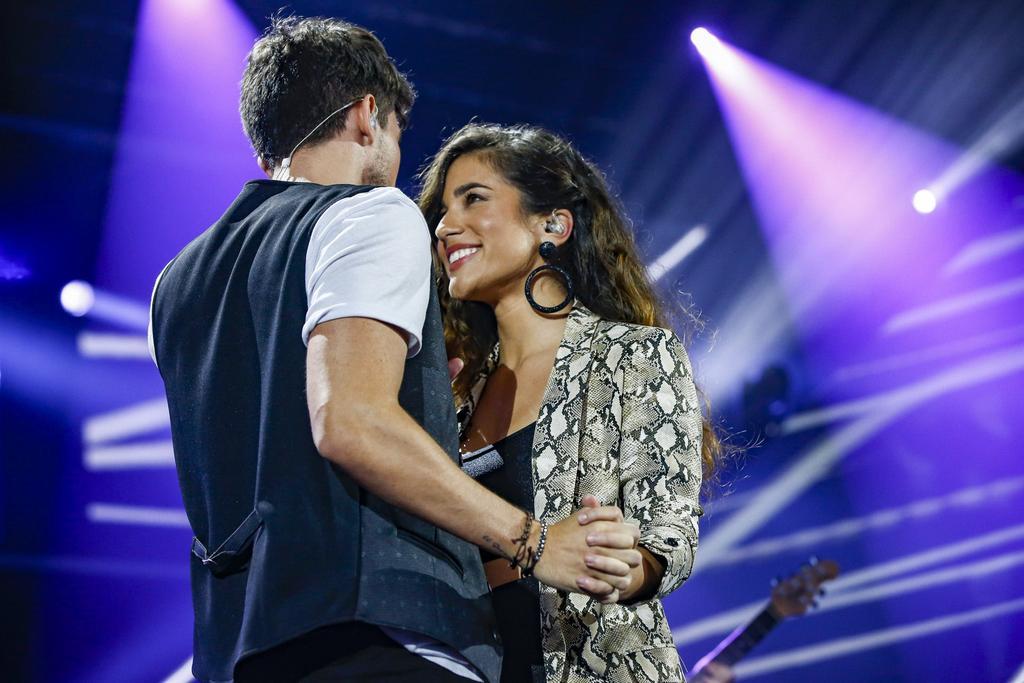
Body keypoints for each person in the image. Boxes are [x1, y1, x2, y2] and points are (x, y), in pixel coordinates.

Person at [148, 18, 642, 683]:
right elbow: (351, 422)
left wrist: (425, 404)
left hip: (241, 648)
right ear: (366, 115)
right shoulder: (368, 213)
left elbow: (265, 445)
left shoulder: (173, 281)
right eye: (400, 136)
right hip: (383, 637)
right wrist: (535, 540)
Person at [419, 123, 723, 682]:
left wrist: (627, 567)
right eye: (442, 209)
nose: (445, 226)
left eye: (474, 199)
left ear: (553, 224)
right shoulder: (453, 394)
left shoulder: (630, 354)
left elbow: (670, 531)